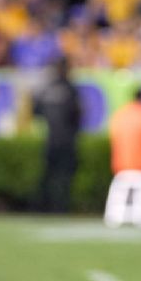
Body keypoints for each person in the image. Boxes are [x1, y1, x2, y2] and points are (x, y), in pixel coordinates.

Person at [33, 57, 82, 213]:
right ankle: (60, 207)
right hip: (67, 140)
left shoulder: (46, 88)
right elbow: (78, 115)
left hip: (50, 139)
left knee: (47, 176)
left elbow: (37, 112)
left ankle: (44, 207)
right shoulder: (70, 88)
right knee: (65, 177)